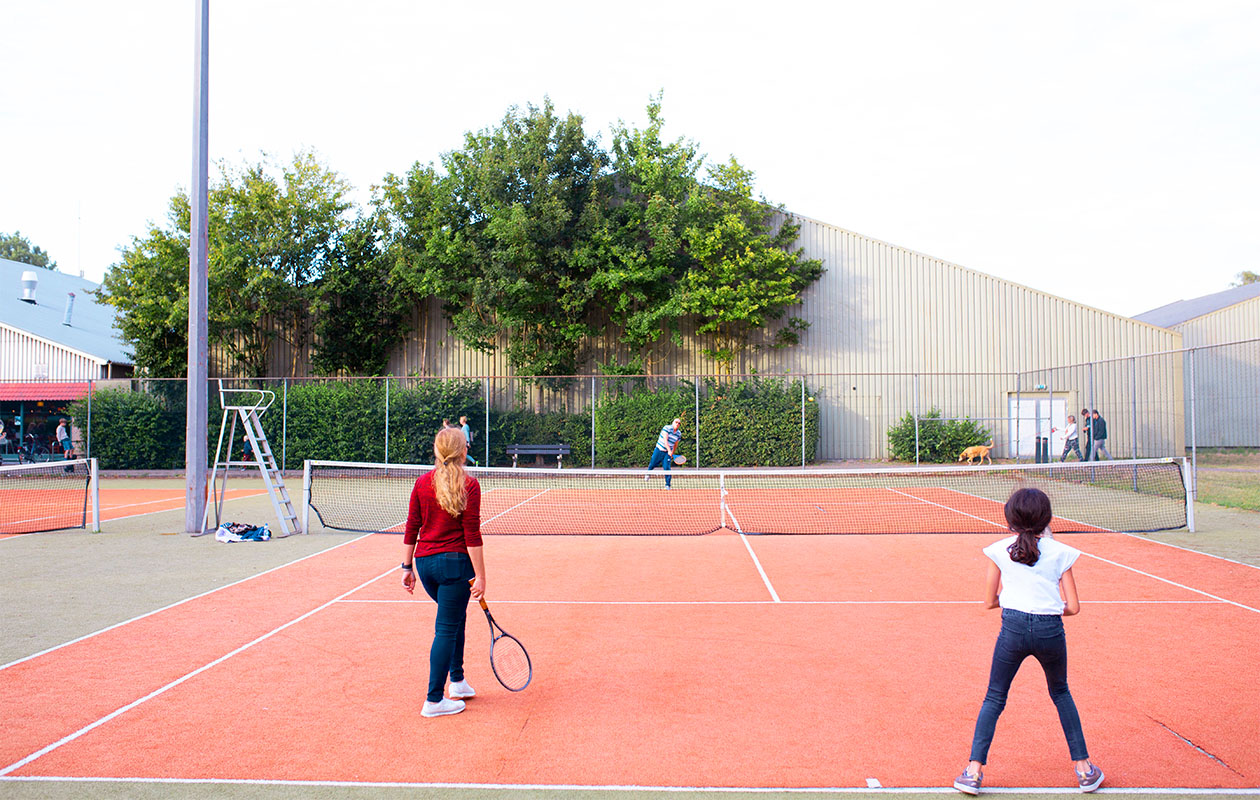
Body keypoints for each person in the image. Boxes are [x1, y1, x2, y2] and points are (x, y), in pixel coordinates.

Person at [954, 488, 1103, 795]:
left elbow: (989, 602)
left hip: (1013, 629)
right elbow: (1073, 607)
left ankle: (973, 772)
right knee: (1060, 692)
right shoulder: (1061, 552)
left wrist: (1014, 601)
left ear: (1010, 518)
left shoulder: (998, 550)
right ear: (1046, 518)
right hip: (1050, 630)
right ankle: (1085, 769)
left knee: (994, 697)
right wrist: (1047, 606)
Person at [401, 426, 487, 718]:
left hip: (425, 565)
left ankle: (458, 681)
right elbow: (472, 534)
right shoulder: (470, 485)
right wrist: (481, 576)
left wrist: (406, 567)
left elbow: (412, 526)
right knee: (446, 628)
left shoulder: (422, 482)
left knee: (454, 618)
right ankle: (434, 700)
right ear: (463, 452)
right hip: (454, 566)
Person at [644, 417, 683, 489]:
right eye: (676, 422)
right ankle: (648, 473)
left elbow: (675, 444)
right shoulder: (666, 428)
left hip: (667, 454)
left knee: (667, 468)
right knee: (652, 464)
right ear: (673, 423)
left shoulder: (678, 434)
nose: (677, 424)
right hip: (659, 449)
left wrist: (672, 452)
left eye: (679, 423)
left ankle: (667, 485)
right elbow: (665, 440)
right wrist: (669, 450)